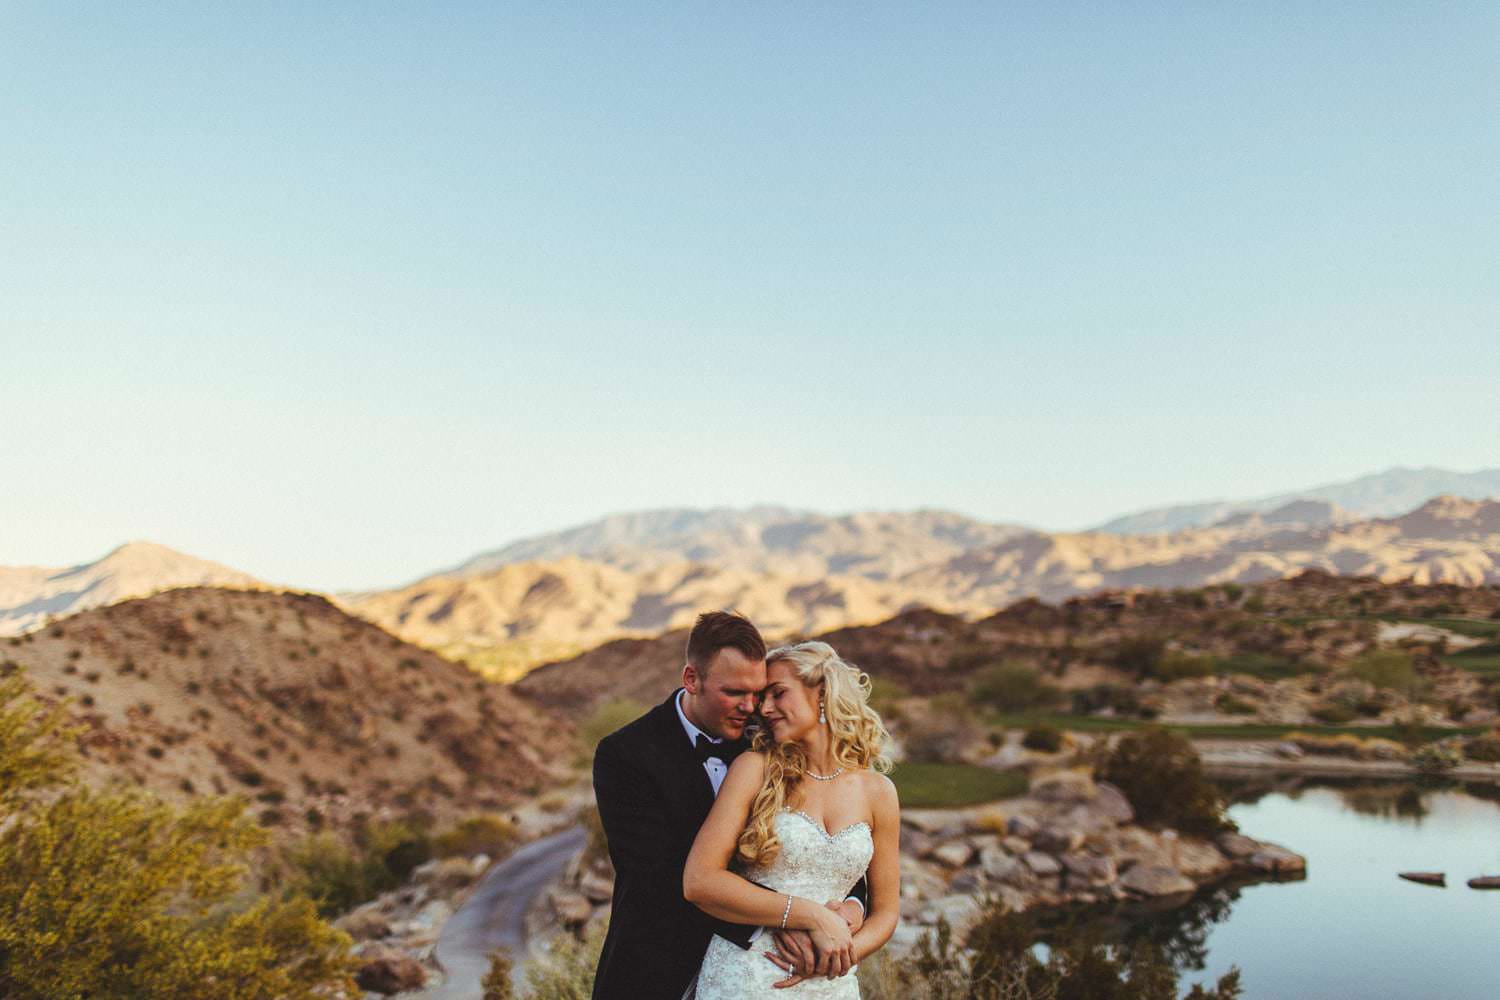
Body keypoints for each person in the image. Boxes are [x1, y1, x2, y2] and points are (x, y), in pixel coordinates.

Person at [592, 613, 868, 1000]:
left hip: (775, 973)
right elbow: (659, 878)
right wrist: (787, 920)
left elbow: (825, 840)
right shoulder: (626, 754)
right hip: (661, 968)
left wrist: (851, 905)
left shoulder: (770, 739)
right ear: (692, 679)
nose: (751, 706)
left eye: (758, 692)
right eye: (735, 693)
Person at [684, 641, 900, 999]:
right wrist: (813, 916)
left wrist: (837, 957)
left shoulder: (878, 792)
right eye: (762, 698)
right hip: (747, 977)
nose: (764, 708)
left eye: (778, 693)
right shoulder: (754, 770)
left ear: (822, 693)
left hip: (832, 984)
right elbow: (700, 881)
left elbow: (886, 913)